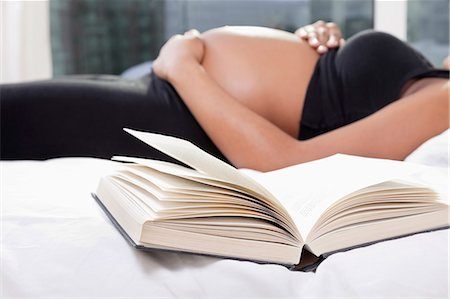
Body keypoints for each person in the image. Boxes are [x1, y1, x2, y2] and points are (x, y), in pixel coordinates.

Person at [1, 21, 449, 171]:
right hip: (167, 91)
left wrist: (183, 67)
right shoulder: (433, 74)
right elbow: (334, 102)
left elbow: (285, 163)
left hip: (179, 115)